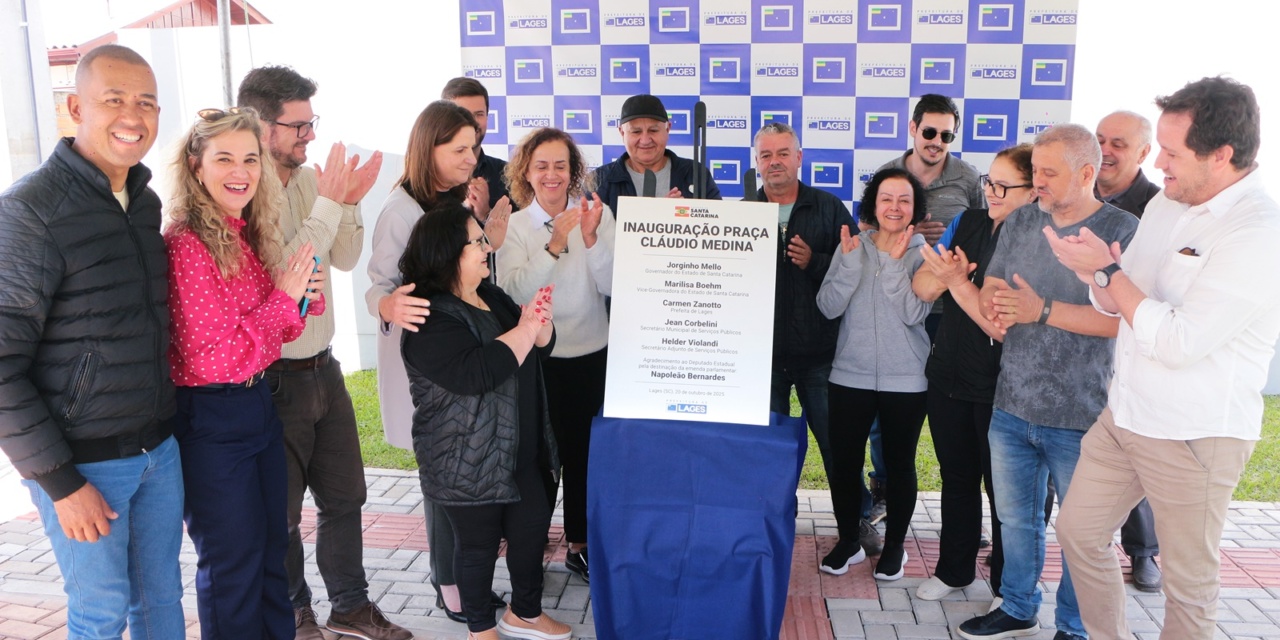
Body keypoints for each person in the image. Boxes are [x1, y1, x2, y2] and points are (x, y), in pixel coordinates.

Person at [1052, 77, 1280, 640]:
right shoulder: (1166, 202)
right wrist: (1093, 272)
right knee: (1078, 533)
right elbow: (1122, 300)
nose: (1161, 163)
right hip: (1124, 416)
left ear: (1222, 155)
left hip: (1194, 437)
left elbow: (1178, 341)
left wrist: (1110, 275)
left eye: (1173, 153)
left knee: (1189, 588)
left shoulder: (1257, 231)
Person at [0, 44, 185, 638]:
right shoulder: (31, 211)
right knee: (100, 613)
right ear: (76, 106)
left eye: (146, 103)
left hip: (158, 452)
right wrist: (59, 483)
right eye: (114, 100)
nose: (133, 116)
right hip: (84, 464)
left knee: (160, 603)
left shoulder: (144, 201)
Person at [236, 66, 409, 639]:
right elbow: (290, 268)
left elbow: (342, 256)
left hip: (323, 366)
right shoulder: (241, 190)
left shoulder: (312, 180)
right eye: (299, 126)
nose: (309, 136)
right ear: (262, 126)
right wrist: (330, 204)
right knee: (282, 512)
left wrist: (350, 203)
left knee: (346, 495)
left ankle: (350, 608)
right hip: (273, 375)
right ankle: (294, 613)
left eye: (313, 124)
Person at [956, 124, 1138, 640]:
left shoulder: (1123, 229)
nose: (1037, 183)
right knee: (1015, 524)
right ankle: (1018, 607)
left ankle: (1076, 628)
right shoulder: (1020, 223)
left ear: (1086, 173)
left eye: (1049, 173)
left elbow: (1126, 319)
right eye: (1034, 171)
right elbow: (995, 297)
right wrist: (979, 292)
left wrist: (1042, 310)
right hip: (1012, 403)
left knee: (1083, 536)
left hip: (1086, 415)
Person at [165, 107, 324, 638]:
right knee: (232, 564)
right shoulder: (188, 244)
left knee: (271, 555)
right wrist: (284, 300)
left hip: (257, 407)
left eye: (250, 159)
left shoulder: (243, 232)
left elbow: (274, 334)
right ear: (196, 166)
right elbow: (216, 356)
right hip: (213, 417)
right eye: (225, 158)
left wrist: (299, 300)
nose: (241, 171)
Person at [366, 100, 512, 621]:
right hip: (427, 366)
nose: (472, 159)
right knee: (442, 477)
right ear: (428, 149)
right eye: (460, 150)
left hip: (460, 363)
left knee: (462, 471)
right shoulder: (399, 210)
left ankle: (461, 577)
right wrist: (386, 304)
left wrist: (487, 240)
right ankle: (447, 581)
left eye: (474, 148)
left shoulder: (453, 199)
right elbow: (378, 288)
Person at [401, 203, 571, 640]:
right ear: (446, 253)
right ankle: (481, 628)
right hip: (467, 458)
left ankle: (525, 614)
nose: (484, 247)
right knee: (476, 550)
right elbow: (479, 373)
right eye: (475, 242)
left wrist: (541, 328)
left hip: (523, 450)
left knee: (531, 534)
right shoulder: (428, 316)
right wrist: (526, 328)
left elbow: (532, 350)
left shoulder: (491, 294)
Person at [910, 144, 1037, 605]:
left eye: (1005, 186)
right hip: (948, 377)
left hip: (1006, 388)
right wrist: (952, 277)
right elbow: (923, 286)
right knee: (956, 478)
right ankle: (954, 570)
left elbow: (1000, 323)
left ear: (1035, 189)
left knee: (1008, 494)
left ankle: (1009, 587)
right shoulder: (969, 223)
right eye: (989, 182)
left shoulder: (1041, 240)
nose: (992, 193)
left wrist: (958, 281)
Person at [752, 122, 877, 554]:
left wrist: (816, 261)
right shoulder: (744, 211)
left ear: (799, 158)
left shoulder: (827, 207)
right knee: (766, 446)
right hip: (762, 354)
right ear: (756, 163)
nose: (775, 162)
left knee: (836, 444)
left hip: (821, 353)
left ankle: (858, 519)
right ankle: (767, 520)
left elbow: (857, 269)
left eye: (783, 153)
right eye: (766, 155)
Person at [498, 127, 615, 583]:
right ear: (526, 171)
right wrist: (554, 246)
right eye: (542, 165)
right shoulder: (515, 226)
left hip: (591, 354)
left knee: (587, 457)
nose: (551, 175)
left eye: (560, 166)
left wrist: (589, 238)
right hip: (538, 360)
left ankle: (581, 545)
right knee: (540, 459)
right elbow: (512, 293)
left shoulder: (596, 215)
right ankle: (530, 545)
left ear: (574, 171)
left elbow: (612, 284)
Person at [815, 167, 931, 581]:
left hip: (906, 380)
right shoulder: (851, 246)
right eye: (886, 199)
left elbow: (914, 313)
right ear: (873, 204)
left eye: (904, 200)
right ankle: (849, 541)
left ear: (915, 208)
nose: (894, 207)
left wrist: (898, 265)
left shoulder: (923, 255)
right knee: (844, 464)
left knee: (898, 465)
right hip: (850, 374)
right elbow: (828, 306)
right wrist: (847, 265)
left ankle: (895, 546)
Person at [1090, 109, 1164, 592]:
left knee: (1132, 453)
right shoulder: (1077, 195)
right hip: (1069, 343)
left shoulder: (1159, 208)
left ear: (1144, 152)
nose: (1106, 152)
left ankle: (1142, 552)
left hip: (1128, 349)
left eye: (1118, 143)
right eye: (1099, 141)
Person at [592, 93, 720, 213]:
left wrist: (686, 215)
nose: (645, 140)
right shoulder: (599, 181)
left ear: (668, 128)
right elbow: (587, 234)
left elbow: (718, 226)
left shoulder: (695, 174)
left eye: (653, 130)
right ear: (622, 132)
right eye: (636, 132)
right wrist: (659, 214)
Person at [442, 76, 509, 216]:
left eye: (479, 114)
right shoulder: (429, 177)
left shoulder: (508, 174)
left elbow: (519, 235)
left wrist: (485, 214)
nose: (472, 122)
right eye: (463, 114)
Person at [1095, 110, 1162, 219]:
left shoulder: (1160, 206)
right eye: (1099, 141)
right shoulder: (1069, 191)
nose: (1103, 151)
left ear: (1143, 153)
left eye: (1117, 145)